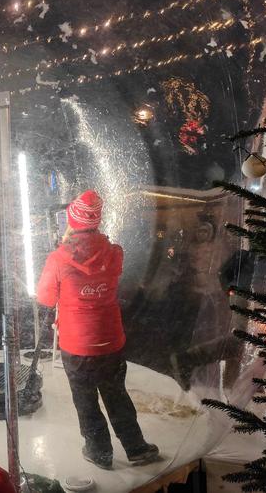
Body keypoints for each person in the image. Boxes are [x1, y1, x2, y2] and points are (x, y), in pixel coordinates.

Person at [37, 190, 159, 470]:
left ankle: (99, 451)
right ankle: (136, 447)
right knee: (116, 394)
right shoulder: (115, 253)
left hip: (77, 345)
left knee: (85, 400)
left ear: (72, 221)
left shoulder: (59, 259)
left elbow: (45, 297)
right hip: (111, 340)